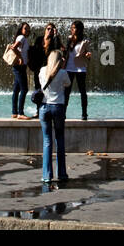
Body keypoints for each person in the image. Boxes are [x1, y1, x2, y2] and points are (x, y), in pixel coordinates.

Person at [37, 49, 71, 184]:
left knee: (47, 141)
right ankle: (61, 174)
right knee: (60, 140)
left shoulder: (42, 71)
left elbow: (41, 84)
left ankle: (47, 175)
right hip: (58, 107)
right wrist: (62, 66)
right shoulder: (63, 73)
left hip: (44, 107)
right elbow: (67, 84)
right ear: (60, 60)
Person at [66, 20, 91, 121]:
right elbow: (66, 52)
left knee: (82, 91)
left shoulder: (85, 42)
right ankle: (63, 112)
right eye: (71, 28)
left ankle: (84, 114)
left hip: (80, 69)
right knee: (66, 92)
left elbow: (88, 55)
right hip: (69, 68)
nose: (72, 30)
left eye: (74, 28)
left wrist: (88, 55)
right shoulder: (69, 39)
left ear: (79, 29)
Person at [7, 23, 31, 119]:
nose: (27, 31)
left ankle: (14, 112)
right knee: (24, 89)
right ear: (21, 29)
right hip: (19, 67)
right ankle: (20, 113)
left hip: (19, 66)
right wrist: (20, 58)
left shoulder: (22, 38)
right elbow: (13, 47)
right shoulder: (21, 37)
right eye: (25, 28)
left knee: (16, 90)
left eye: (28, 29)